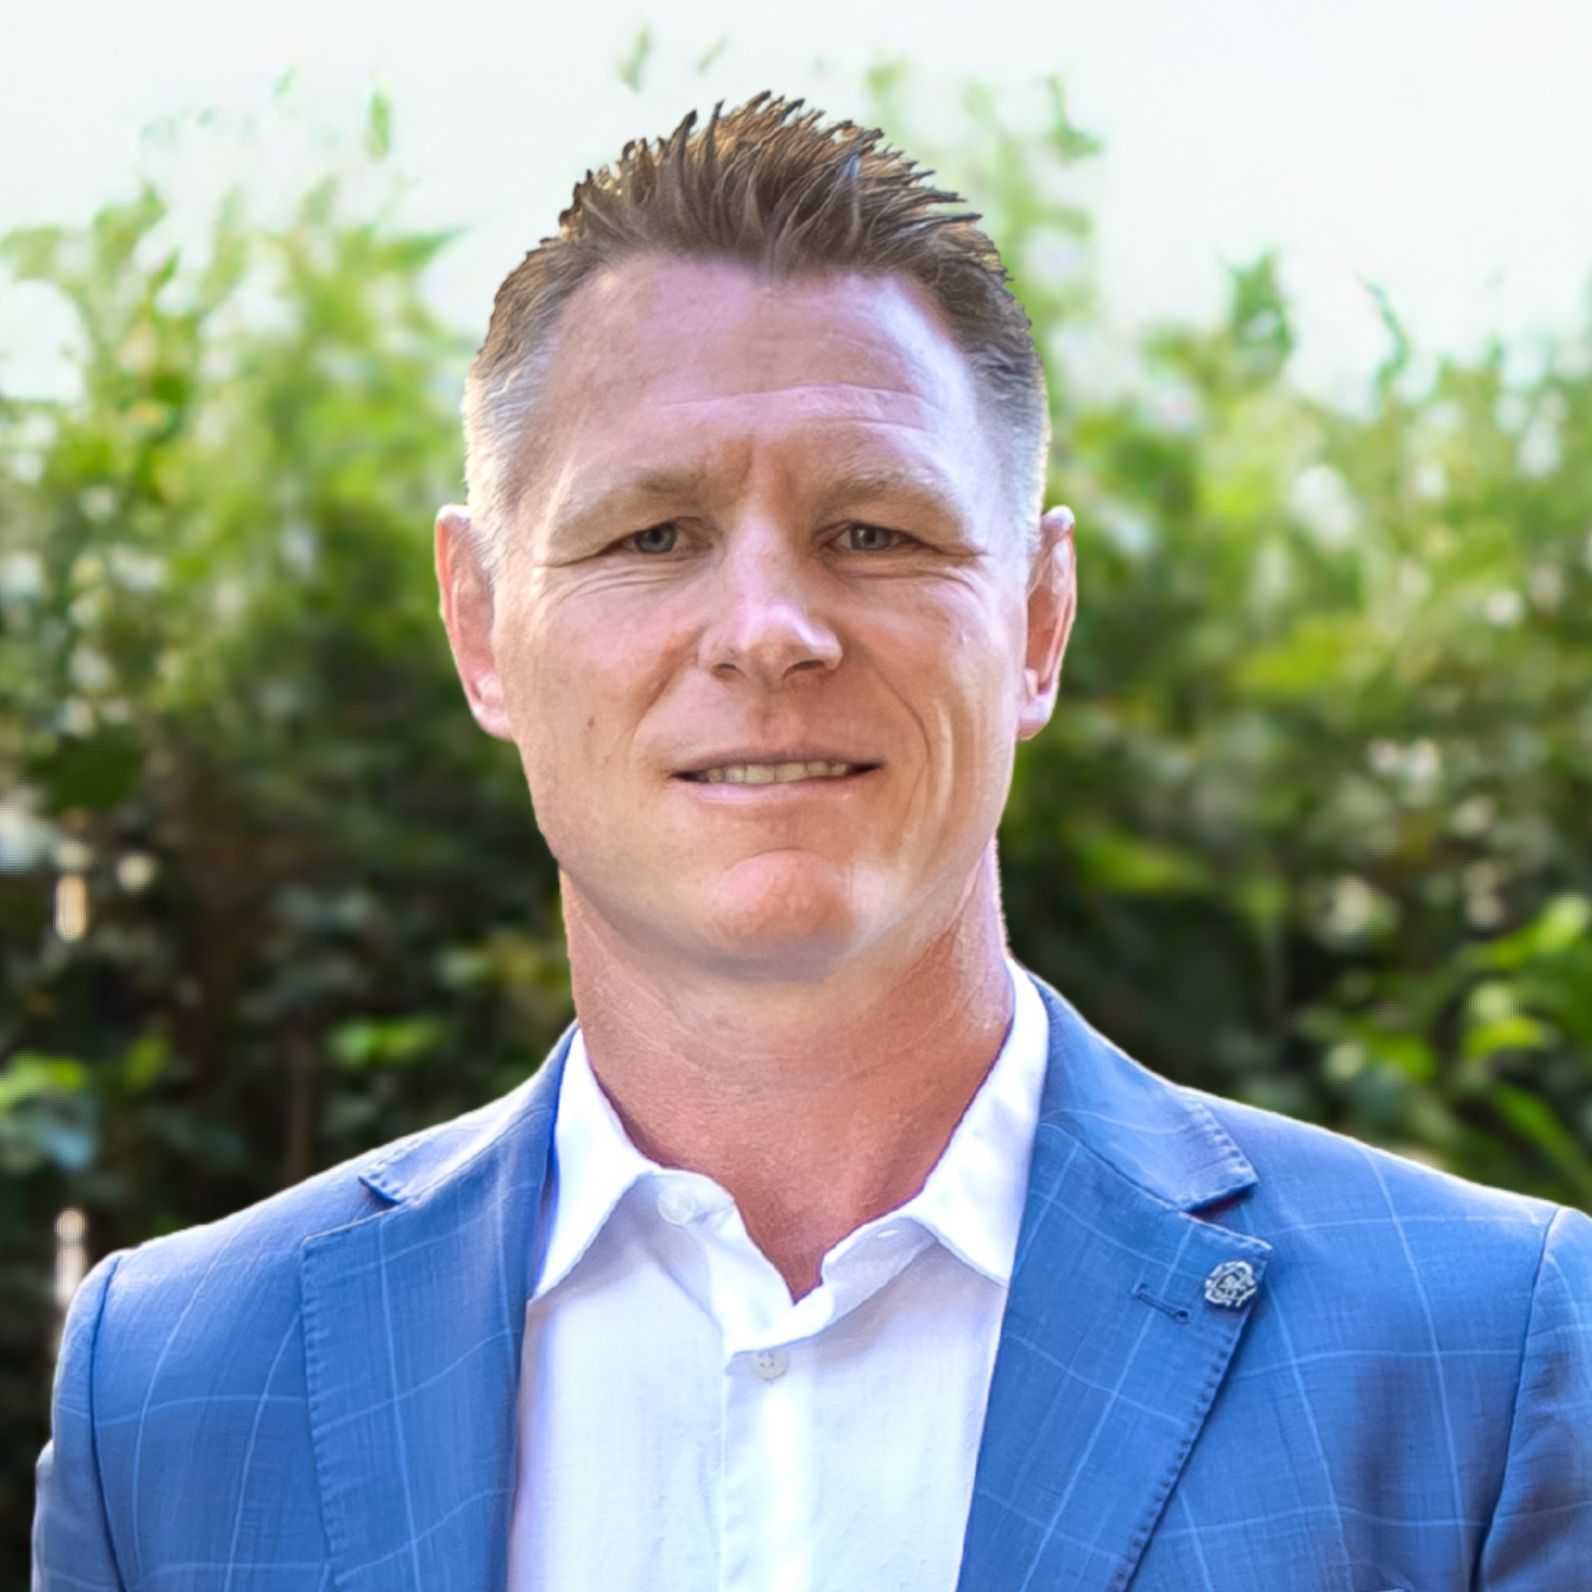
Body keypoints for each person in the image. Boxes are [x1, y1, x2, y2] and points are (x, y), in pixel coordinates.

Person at [33, 91, 1591, 1592]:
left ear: (1040, 619)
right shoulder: (171, 1393)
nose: (770, 630)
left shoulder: (1485, 1358)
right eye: (652, 535)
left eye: (874, 532)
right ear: (481, 626)